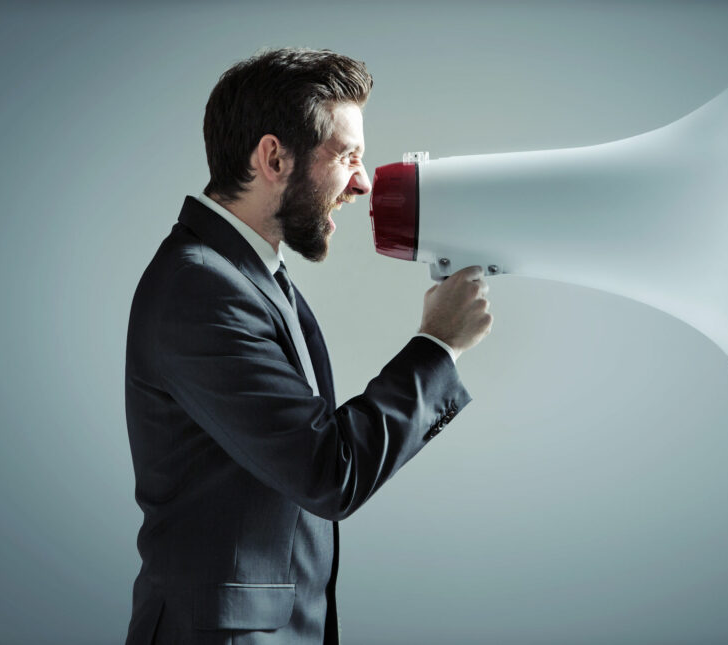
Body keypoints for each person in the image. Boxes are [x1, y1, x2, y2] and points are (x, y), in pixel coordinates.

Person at [124, 48, 492, 645]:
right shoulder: (202, 286)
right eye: (348, 155)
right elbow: (329, 472)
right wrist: (437, 346)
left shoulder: (245, 274)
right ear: (274, 157)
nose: (364, 182)